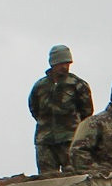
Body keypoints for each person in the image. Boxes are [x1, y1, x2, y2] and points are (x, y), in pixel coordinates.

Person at [29, 44, 94, 176]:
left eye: (67, 63)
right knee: (46, 180)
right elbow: (34, 108)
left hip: (70, 140)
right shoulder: (40, 86)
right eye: (60, 63)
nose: (64, 67)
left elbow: (87, 112)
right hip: (45, 141)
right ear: (53, 63)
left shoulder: (78, 85)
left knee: (73, 177)